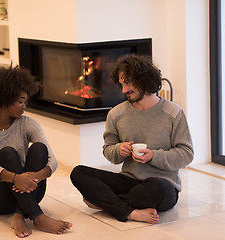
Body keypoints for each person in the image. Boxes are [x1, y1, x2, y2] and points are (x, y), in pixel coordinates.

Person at [70, 54, 194, 224]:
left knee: (155, 188)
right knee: (78, 172)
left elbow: (186, 154)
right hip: (129, 180)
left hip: (162, 185)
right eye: (121, 84)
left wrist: (153, 156)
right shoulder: (116, 114)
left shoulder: (173, 112)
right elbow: (108, 150)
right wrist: (119, 149)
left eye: (127, 82)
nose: (124, 90)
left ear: (144, 80)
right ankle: (131, 212)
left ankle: (106, 202)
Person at [0, 64, 72, 238]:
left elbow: (52, 160)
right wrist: (17, 178)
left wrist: (34, 177)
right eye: (21, 101)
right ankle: (38, 216)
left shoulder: (28, 123)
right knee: (8, 153)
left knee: (39, 149)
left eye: (25, 102)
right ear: (5, 98)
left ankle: (19, 215)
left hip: (30, 190)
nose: (24, 107)